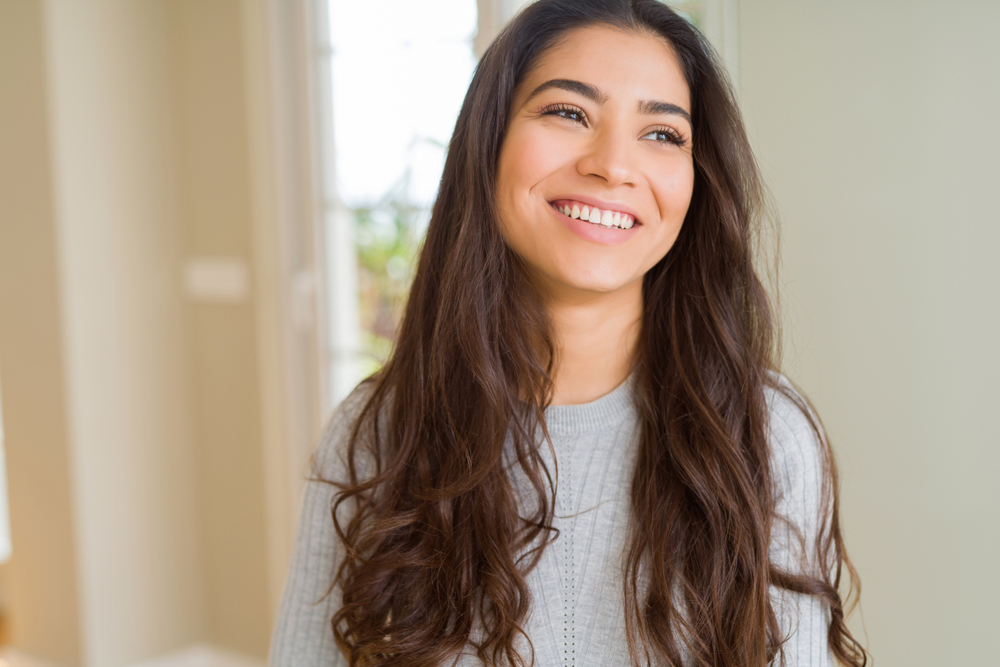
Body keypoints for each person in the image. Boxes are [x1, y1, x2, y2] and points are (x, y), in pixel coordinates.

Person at [270, 0, 868, 665]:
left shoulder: (767, 435)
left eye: (663, 133)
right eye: (568, 113)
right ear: (489, 142)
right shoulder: (376, 431)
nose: (613, 164)